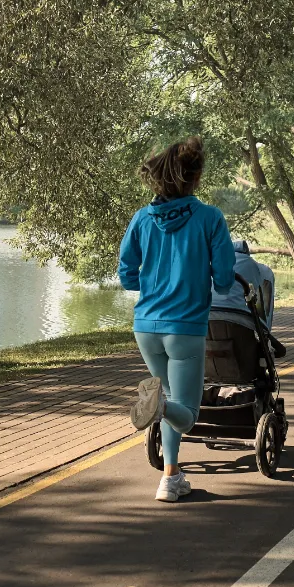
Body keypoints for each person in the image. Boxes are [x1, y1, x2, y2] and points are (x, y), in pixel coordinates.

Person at [119, 137, 235, 502]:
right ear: (196, 177)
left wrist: (153, 283)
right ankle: (159, 408)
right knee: (185, 409)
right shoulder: (210, 218)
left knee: (170, 396)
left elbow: (126, 275)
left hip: (146, 326)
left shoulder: (141, 218)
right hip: (184, 327)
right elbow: (226, 279)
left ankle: (171, 478)